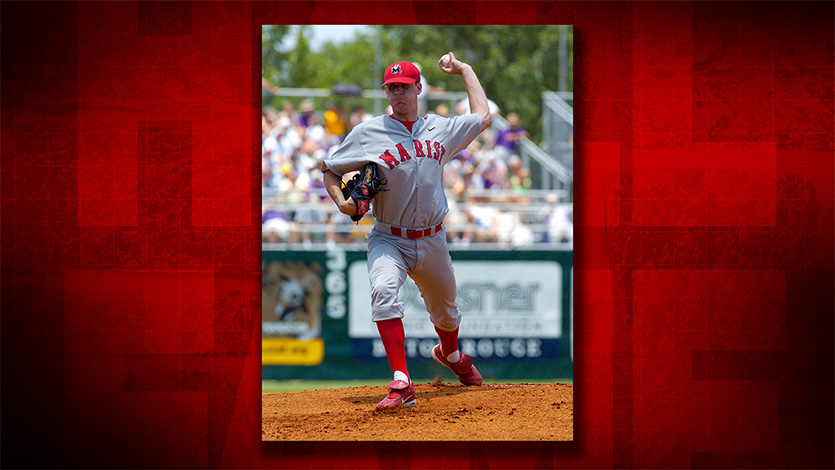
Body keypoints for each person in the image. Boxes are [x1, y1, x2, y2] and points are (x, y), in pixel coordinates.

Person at [321, 53, 492, 411]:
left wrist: (465, 70)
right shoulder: (368, 133)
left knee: (446, 314)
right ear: (387, 93)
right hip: (388, 237)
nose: (398, 93)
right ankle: (402, 380)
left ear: (418, 89)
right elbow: (329, 169)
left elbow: (483, 117)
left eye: (404, 87)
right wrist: (342, 203)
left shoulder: (441, 129)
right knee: (383, 291)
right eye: (392, 88)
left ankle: (451, 354)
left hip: (432, 238)